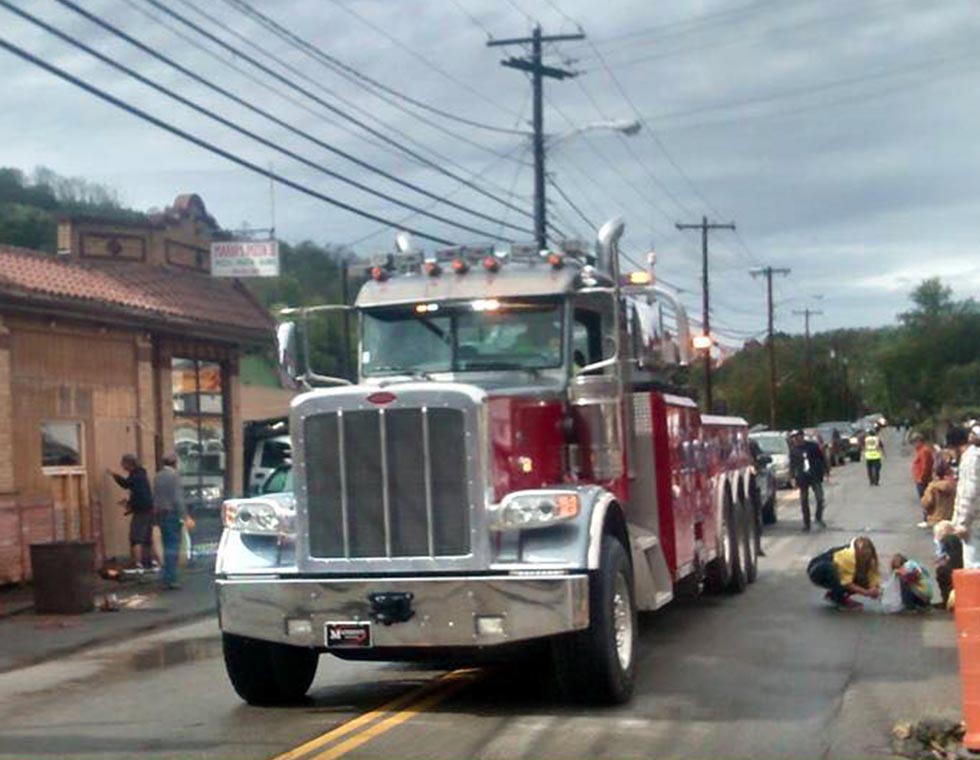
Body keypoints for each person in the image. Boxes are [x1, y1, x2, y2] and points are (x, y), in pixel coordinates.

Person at [807, 536, 881, 610]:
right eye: (864, 556)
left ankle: (833, 594)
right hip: (817, 570)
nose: (866, 558)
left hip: (839, 572)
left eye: (868, 555)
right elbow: (846, 583)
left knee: (864, 580)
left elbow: (873, 575)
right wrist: (866, 592)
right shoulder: (848, 556)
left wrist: (873, 587)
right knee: (831, 569)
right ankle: (838, 597)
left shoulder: (871, 559)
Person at [108, 454, 154, 569]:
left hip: (141, 510)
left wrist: (114, 475)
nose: (122, 466)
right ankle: (149, 561)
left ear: (129, 464)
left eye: (123, 464)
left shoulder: (136, 475)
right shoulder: (141, 474)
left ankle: (137, 563)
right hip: (148, 509)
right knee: (146, 537)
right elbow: (139, 492)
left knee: (136, 536)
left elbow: (126, 484)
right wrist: (129, 503)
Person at [153, 454, 186, 590]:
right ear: (175, 463)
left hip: (160, 514)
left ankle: (166, 576)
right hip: (172, 513)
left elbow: (155, 497)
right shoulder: (174, 476)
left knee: (166, 545)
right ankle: (171, 578)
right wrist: (184, 515)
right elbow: (177, 498)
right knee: (173, 546)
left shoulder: (158, 476)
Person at [789, 429, 828, 532]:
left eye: (797, 436)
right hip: (802, 478)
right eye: (794, 438)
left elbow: (821, 458)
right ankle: (806, 523)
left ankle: (818, 518)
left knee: (820, 498)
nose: (796, 439)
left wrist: (825, 471)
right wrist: (792, 477)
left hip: (815, 476)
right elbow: (792, 465)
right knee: (804, 501)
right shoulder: (793, 450)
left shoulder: (812, 446)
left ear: (802, 436)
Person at [953, 423, 980, 568]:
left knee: (973, 566)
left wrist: (962, 523)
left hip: (973, 521)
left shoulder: (971, 459)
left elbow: (969, 493)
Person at [934, 520, 963, 609]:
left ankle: (947, 600)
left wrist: (940, 563)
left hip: (952, 569)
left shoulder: (947, 540)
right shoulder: (958, 539)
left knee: (941, 573)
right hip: (959, 568)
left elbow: (948, 557)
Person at [910, 433, 934, 527]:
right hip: (921, 479)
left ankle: (927, 519)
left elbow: (925, 466)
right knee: (924, 499)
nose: (914, 445)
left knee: (925, 500)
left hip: (923, 480)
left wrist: (921, 477)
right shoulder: (922, 450)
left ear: (919, 441)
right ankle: (927, 518)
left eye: (914, 442)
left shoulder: (924, 451)